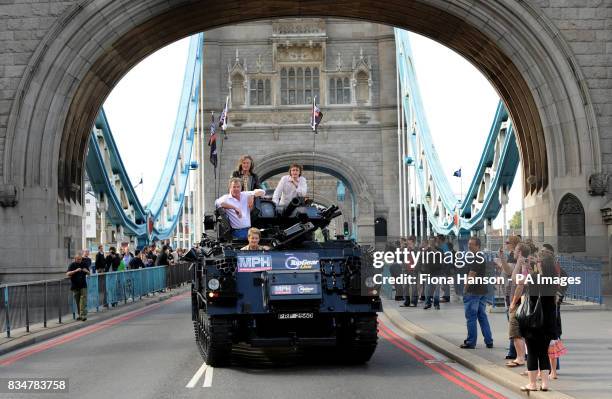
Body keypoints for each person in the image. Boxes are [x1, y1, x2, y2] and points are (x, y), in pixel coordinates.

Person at [515, 253, 558, 392]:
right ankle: (545, 384)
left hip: (533, 321)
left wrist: (524, 266)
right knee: (544, 352)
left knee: (532, 352)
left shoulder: (534, 278)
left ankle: (532, 384)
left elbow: (518, 281)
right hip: (548, 322)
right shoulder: (553, 280)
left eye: (539, 261)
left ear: (541, 264)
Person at [500, 242, 530, 367]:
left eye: (516, 250)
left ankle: (520, 358)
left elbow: (518, 282)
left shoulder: (524, 264)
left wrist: (512, 303)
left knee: (516, 333)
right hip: (522, 302)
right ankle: (522, 357)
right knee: (521, 333)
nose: (513, 252)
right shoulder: (524, 263)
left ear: (520, 252)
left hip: (519, 303)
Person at [460, 237, 494, 349]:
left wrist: (465, 289)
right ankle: (489, 341)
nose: (469, 246)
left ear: (478, 246)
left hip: (473, 291)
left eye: (472, 244)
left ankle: (471, 342)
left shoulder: (476, 258)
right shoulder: (480, 257)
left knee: (471, 317)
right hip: (482, 291)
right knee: (482, 316)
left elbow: (471, 274)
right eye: (469, 243)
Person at [494, 235, 521, 361]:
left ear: (514, 244)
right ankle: (515, 351)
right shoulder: (512, 255)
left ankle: (515, 352)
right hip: (509, 292)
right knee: (512, 322)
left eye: (508, 242)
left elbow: (509, 271)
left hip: (513, 293)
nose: (505, 243)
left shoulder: (515, 256)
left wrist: (501, 260)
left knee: (513, 323)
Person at [66, 252, 90, 321]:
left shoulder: (84, 264)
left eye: (80, 259)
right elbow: (67, 273)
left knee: (83, 300)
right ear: (75, 259)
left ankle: (83, 315)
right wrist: (75, 271)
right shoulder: (72, 265)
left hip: (83, 285)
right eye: (78, 259)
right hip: (75, 286)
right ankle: (80, 315)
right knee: (78, 301)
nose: (80, 261)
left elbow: (89, 273)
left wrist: (87, 271)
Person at [424, 236, 443, 310]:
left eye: (432, 241)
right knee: (427, 289)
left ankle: (436, 304)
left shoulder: (439, 250)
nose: (431, 242)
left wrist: (433, 249)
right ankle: (427, 303)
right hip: (428, 272)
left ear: (435, 242)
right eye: (430, 241)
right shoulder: (426, 250)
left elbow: (441, 257)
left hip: (437, 272)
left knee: (437, 289)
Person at [401, 236, 419, 307]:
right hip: (405, 270)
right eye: (407, 241)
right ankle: (406, 301)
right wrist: (402, 248)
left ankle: (414, 302)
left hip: (413, 270)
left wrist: (412, 248)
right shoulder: (405, 249)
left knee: (414, 286)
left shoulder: (417, 249)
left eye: (409, 241)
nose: (407, 242)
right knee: (405, 286)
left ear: (413, 241)